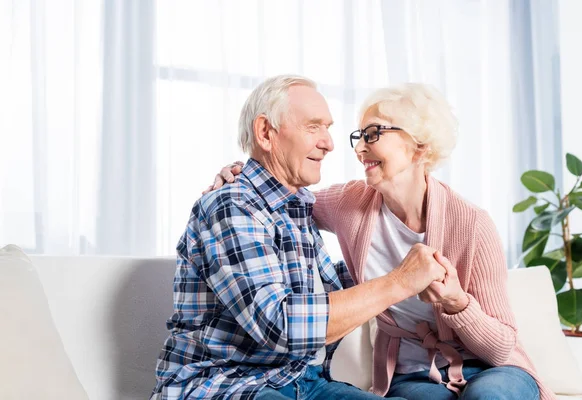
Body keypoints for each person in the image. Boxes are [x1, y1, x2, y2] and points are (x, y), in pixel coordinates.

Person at [209, 83, 554, 399]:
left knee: (488, 397)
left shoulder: (472, 224)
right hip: (416, 375)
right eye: (358, 135)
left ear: (420, 146)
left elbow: (501, 346)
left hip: (490, 367)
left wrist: (456, 303)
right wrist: (240, 171)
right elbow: (280, 194)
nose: (359, 148)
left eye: (373, 134)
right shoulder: (349, 205)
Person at [151, 75, 449, 400]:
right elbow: (282, 325)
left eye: (328, 128)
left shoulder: (295, 205)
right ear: (266, 133)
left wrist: (402, 264)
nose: (329, 143)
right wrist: (399, 282)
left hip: (301, 381)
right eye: (313, 127)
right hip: (227, 386)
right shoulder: (231, 206)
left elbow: (324, 287)